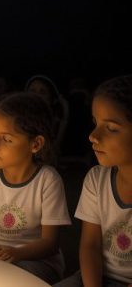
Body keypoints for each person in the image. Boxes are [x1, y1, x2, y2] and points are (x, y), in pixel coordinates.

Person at [0, 93, 70, 284]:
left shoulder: (47, 180)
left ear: (35, 144)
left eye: (6, 139)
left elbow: (49, 243)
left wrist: (15, 254)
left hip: (36, 261)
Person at [54, 75, 132, 287]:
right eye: (95, 123)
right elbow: (90, 246)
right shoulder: (97, 180)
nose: (93, 136)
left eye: (111, 128)